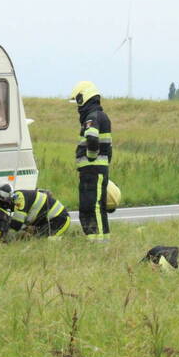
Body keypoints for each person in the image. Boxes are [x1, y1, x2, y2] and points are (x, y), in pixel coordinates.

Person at [69, 81, 112, 241]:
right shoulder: (99, 116)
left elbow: (92, 139)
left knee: (93, 207)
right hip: (94, 171)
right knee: (91, 207)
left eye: (78, 100)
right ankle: (97, 241)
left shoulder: (92, 117)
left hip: (92, 171)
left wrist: (91, 158)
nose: (78, 105)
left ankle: (100, 244)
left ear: (84, 97)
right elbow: (109, 148)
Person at [0, 174, 70, 238]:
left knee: (44, 241)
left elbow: (17, 224)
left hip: (60, 219)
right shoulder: (15, 196)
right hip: (46, 221)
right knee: (33, 238)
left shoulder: (19, 197)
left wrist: (3, 228)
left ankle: (68, 240)